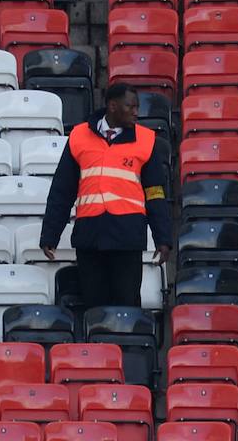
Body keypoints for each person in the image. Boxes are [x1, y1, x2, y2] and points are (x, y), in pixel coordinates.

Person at [40, 83, 172, 307]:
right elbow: (62, 191)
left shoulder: (147, 140)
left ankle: (127, 344)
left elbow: (155, 193)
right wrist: (50, 235)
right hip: (90, 237)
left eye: (137, 107)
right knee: (94, 307)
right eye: (130, 106)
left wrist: (163, 238)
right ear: (112, 106)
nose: (136, 112)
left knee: (127, 307)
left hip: (127, 237)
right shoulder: (79, 136)